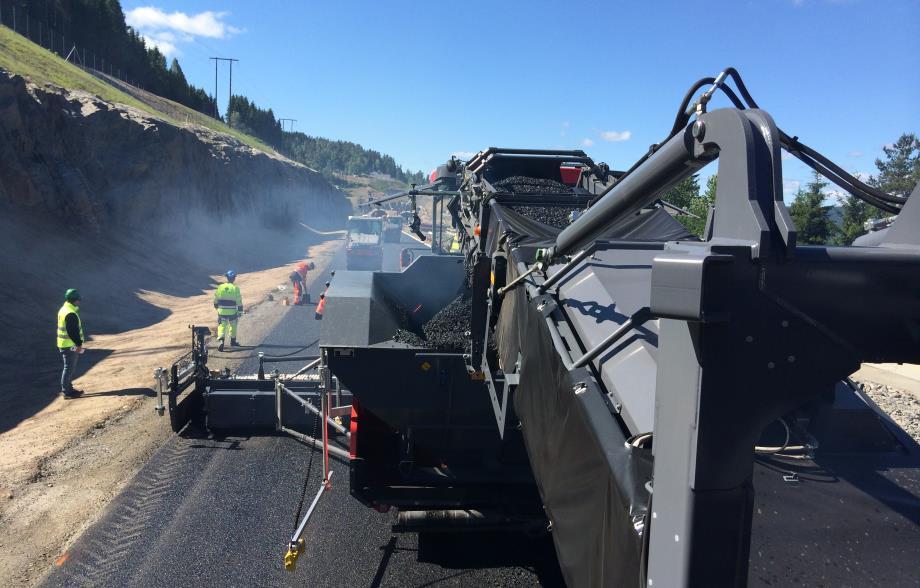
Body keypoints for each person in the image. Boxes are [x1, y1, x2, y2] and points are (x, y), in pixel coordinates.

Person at [57, 288, 85, 399]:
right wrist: (79, 344)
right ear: (74, 300)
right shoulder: (70, 313)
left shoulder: (64, 309)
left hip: (65, 344)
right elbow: (72, 331)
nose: (79, 301)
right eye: (78, 299)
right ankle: (67, 392)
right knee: (69, 368)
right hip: (70, 345)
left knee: (69, 368)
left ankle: (68, 388)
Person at [214, 270, 243, 351]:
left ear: (227, 278)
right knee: (233, 325)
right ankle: (233, 341)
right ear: (233, 278)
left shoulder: (220, 287)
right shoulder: (235, 288)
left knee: (222, 326)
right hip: (232, 312)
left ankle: (221, 341)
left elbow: (216, 298)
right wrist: (240, 311)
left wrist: (217, 307)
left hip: (222, 311)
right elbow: (239, 301)